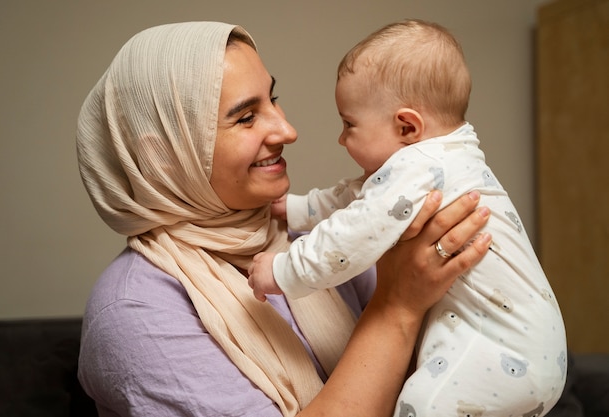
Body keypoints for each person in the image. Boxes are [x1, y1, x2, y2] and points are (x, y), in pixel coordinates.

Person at [75, 21, 492, 417]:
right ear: (160, 159)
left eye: (272, 99)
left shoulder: (317, 241)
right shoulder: (136, 310)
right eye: (246, 116)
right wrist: (398, 305)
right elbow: (398, 322)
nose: (287, 130)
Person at [247, 19, 567, 417]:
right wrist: (295, 208)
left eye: (349, 124)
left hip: (497, 344)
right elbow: (357, 196)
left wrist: (281, 272)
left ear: (407, 126)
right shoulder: (448, 155)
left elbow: (351, 236)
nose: (342, 138)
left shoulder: (419, 167)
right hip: (527, 345)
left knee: (420, 406)